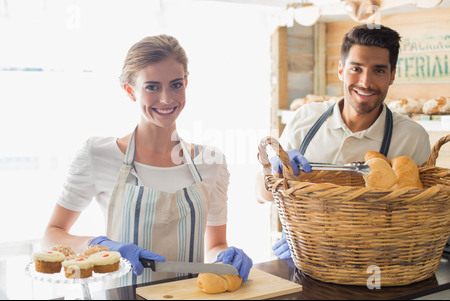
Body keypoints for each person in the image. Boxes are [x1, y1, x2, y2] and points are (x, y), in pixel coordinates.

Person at [42, 34, 252, 285]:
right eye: (152, 87)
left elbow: (215, 245)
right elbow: (51, 236)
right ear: (130, 91)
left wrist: (226, 257)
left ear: (186, 83)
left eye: (176, 85)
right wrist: (98, 245)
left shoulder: (211, 162)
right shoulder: (98, 155)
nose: (166, 99)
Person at [256, 24, 431, 259]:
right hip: (302, 261)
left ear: (392, 76)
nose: (365, 82)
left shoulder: (412, 138)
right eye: (356, 68)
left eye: (378, 71)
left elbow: (418, 220)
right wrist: (274, 174)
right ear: (341, 69)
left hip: (375, 267)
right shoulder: (305, 119)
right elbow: (260, 194)